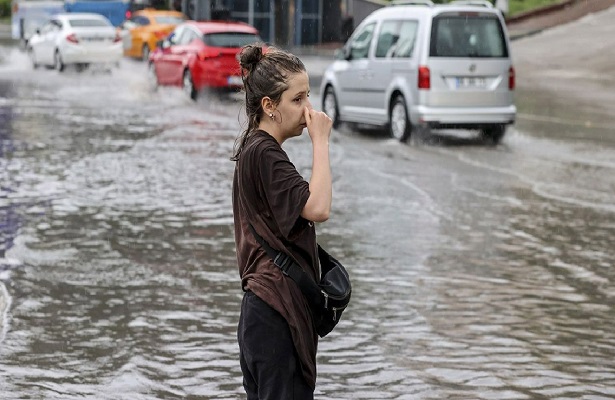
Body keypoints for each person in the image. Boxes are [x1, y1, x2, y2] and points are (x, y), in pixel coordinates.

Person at [231, 44, 333, 399]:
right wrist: (321, 141)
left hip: (264, 312)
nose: (308, 109)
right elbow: (318, 207)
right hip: (276, 315)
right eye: (298, 99)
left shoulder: (255, 150)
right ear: (269, 106)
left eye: (308, 96)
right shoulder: (266, 154)